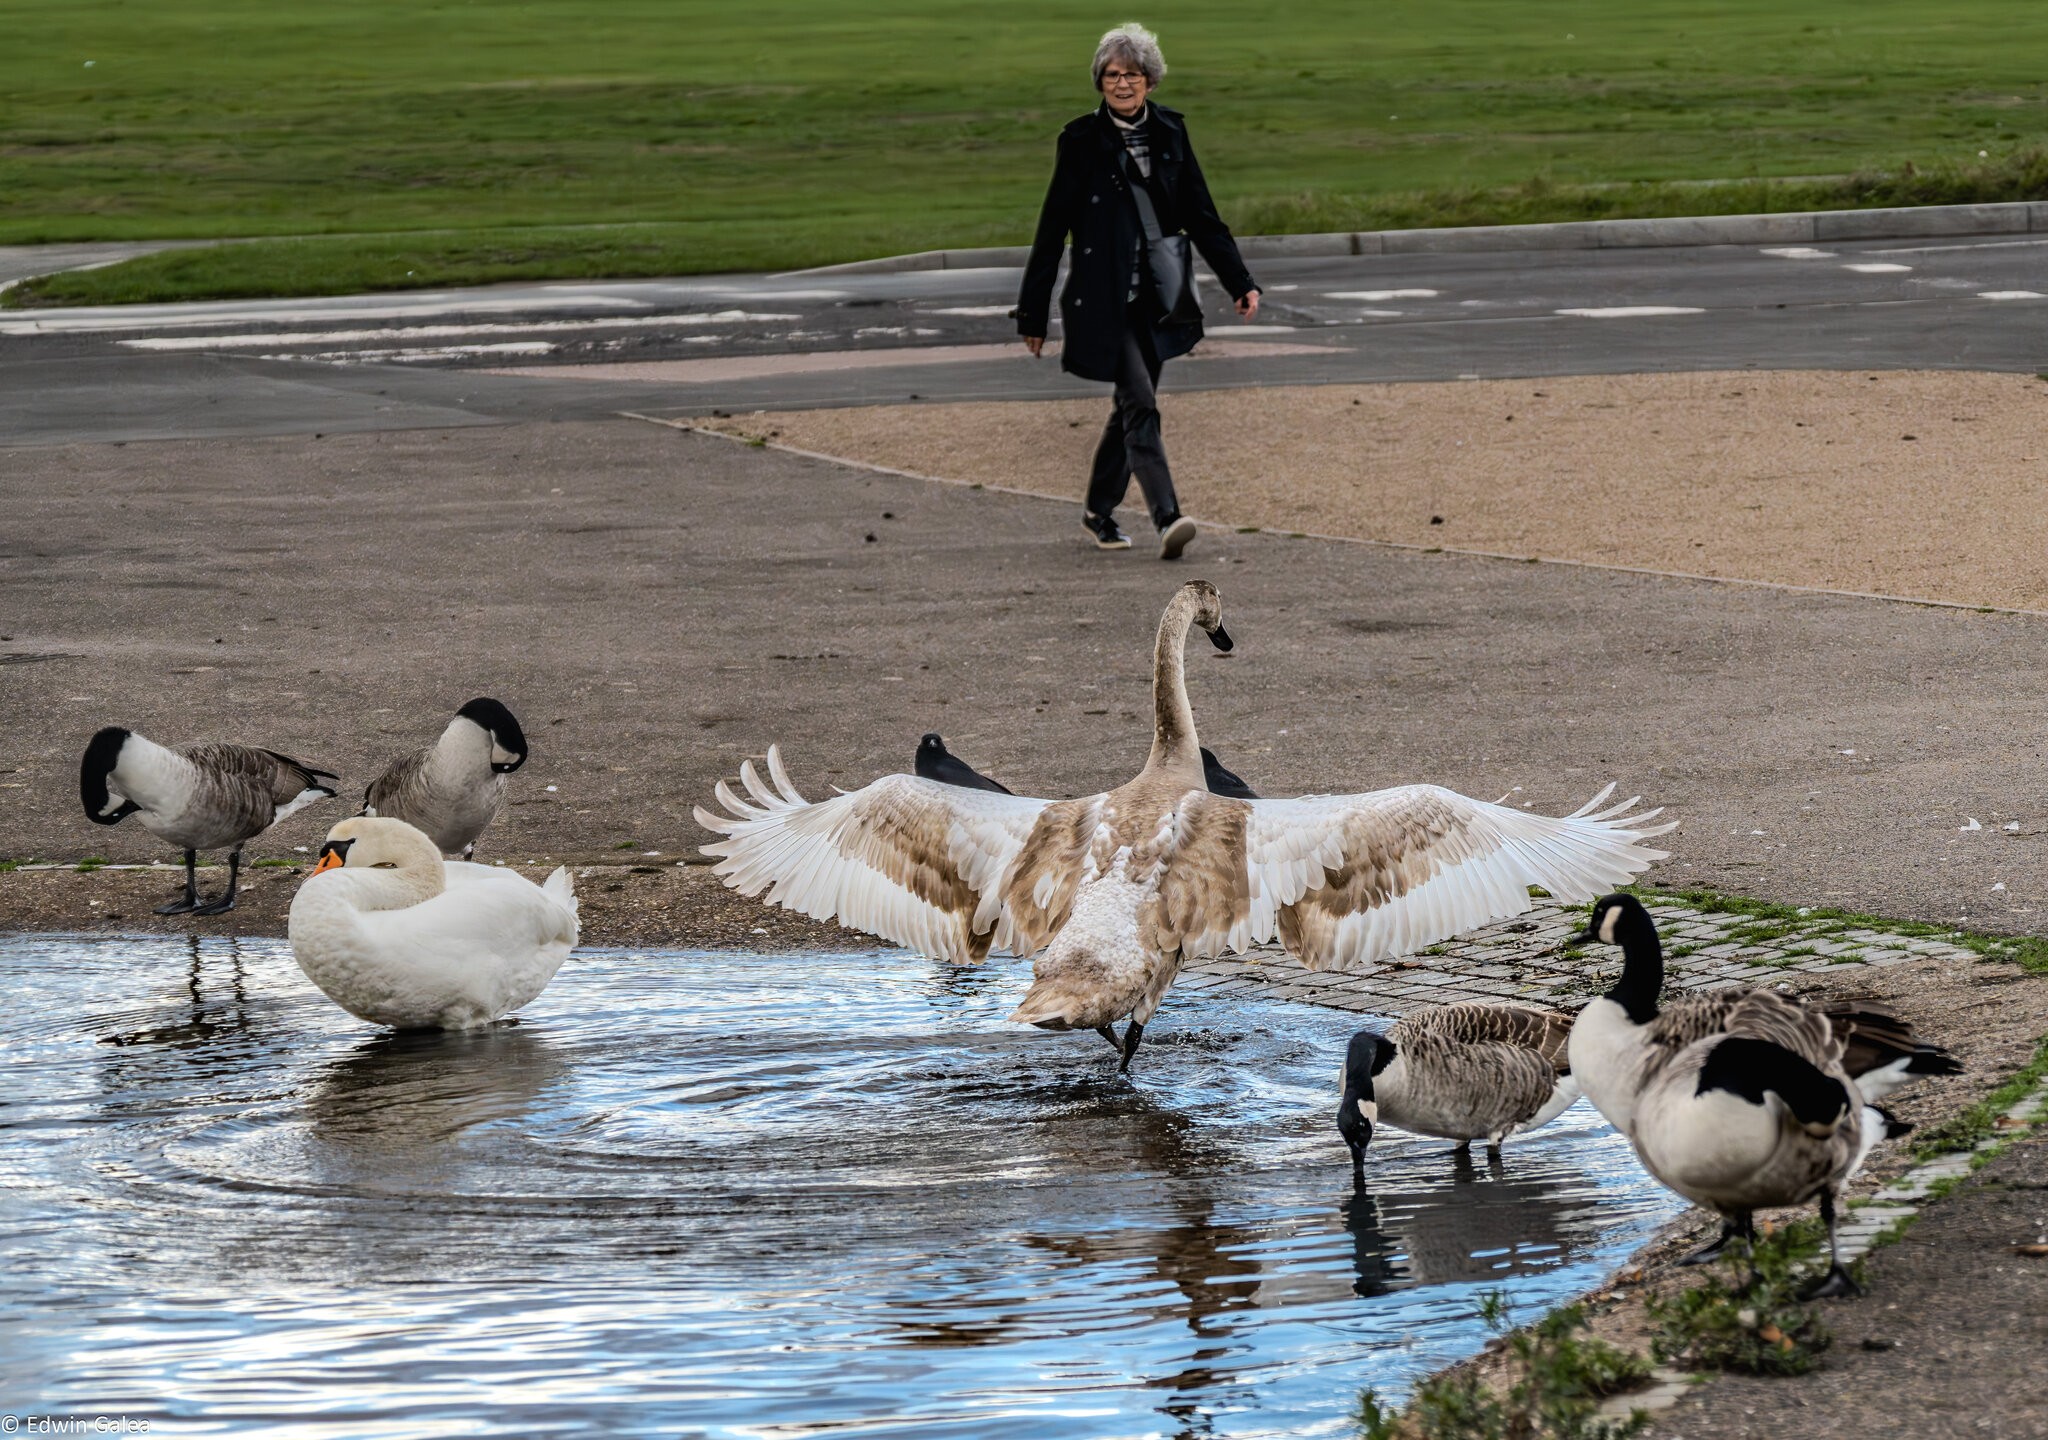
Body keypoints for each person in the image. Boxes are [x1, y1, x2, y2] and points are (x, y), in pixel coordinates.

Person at [1016, 22, 1262, 561]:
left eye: (1131, 74)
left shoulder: (1171, 132)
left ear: (1150, 80)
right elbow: (1051, 229)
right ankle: (1167, 516)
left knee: (1129, 408)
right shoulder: (1080, 141)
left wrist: (1239, 280)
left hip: (1160, 296)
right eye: (1111, 75)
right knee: (1143, 405)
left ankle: (1097, 512)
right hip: (1104, 301)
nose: (1121, 84)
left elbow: (1200, 214)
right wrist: (1032, 313)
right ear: (1099, 82)